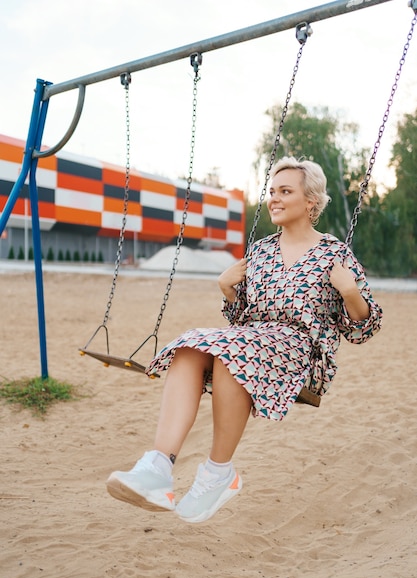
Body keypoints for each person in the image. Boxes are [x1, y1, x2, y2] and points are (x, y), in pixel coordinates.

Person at [106, 156, 382, 524]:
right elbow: (243, 320)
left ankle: (218, 473)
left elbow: (363, 329)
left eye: (286, 191)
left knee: (231, 352)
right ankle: (157, 467)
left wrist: (350, 293)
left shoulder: (334, 254)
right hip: (253, 341)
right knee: (190, 345)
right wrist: (228, 290)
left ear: (311, 201)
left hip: (301, 352)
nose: (274, 199)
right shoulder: (262, 251)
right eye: (271, 191)